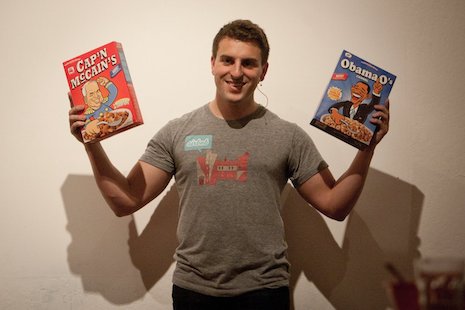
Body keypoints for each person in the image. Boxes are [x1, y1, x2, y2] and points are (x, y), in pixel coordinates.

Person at [68, 19, 390, 310]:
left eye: (248, 63)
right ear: (212, 64)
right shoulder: (178, 132)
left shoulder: (287, 136)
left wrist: (367, 148)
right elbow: (126, 200)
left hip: (264, 293)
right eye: (228, 60)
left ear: (263, 71)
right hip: (193, 293)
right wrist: (91, 143)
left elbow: (334, 204)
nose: (236, 72)